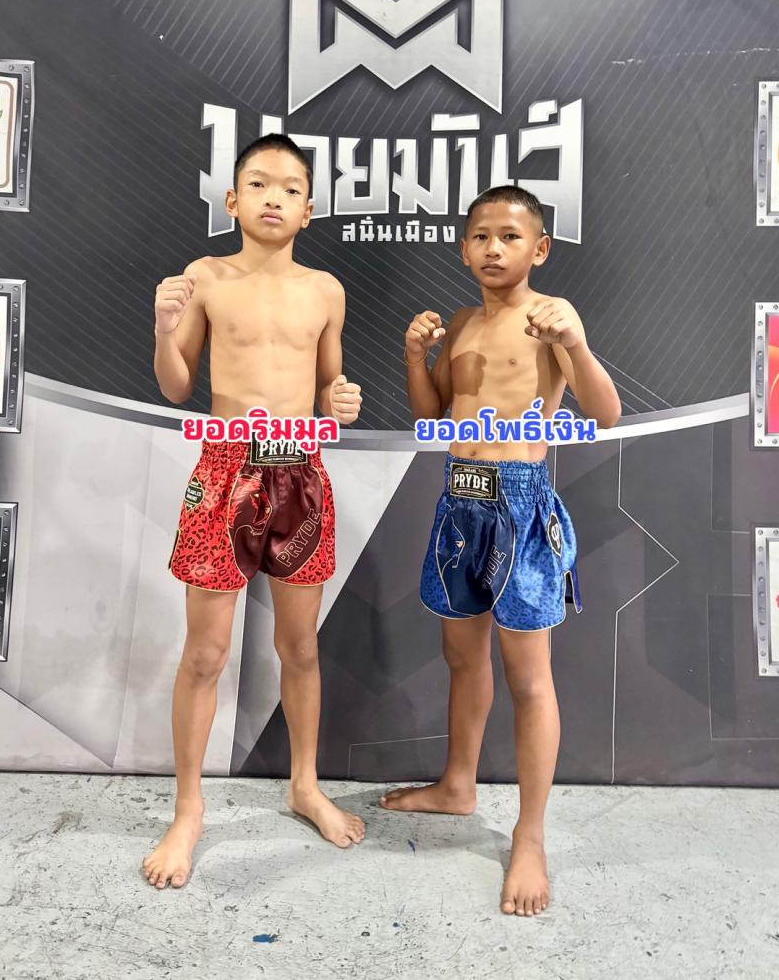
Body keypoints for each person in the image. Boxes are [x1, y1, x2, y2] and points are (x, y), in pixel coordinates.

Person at [382, 185, 621, 918]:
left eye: (510, 237)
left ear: (538, 248)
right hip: (460, 497)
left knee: (530, 679)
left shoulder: (554, 318)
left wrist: (574, 344)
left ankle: (530, 835)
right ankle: (458, 785)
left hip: (519, 500)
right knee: (462, 659)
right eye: (481, 236)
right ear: (463, 249)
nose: (494, 248)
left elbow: (606, 413)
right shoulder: (460, 322)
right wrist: (415, 357)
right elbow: (431, 415)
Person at [143, 133, 365, 891]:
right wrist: (163, 327)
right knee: (205, 654)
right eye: (260, 184)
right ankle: (188, 810)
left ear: (309, 209)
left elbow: (330, 387)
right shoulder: (204, 276)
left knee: (299, 647)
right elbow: (176, 384)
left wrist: (341, 402)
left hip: (301, 474)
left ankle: (305, 785)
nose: (275, 197)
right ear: (233, 200)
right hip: (225, 470)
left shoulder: (327, 290)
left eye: (291, 187)